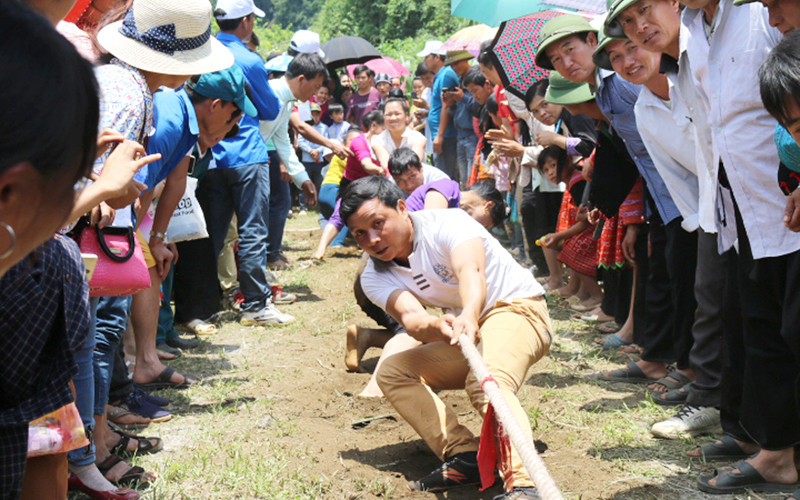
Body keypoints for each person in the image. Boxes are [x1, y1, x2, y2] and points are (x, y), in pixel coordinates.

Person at [340, 176, 550, 500]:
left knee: (486, 382)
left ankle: (525, 485)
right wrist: (436, 326)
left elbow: (471, 271)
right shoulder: (373, 274)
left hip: (518, 310)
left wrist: (468, 312)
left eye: (378, 223)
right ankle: (464, 455)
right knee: (393, 372)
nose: (372, 239)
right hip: (468, 329)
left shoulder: (448, 222)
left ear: (401, 208)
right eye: (360, 234)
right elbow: (411, 317)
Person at [537, 14, 699, 398]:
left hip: (685, 192)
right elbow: (624, 151)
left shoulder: (624, 84)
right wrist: (603, 204)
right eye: (557, 60)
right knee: (664, 273)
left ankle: (692, 370)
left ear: (591, 41)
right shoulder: (605, 92)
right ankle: (659, 358)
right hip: (662, 195)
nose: (567, 63)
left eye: (571, 50)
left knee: (684, 277)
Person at [418, 41, 460, 180]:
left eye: (427, 57)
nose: (424, 60)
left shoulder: (446, 74)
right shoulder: (440, 75)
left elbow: (446, 105)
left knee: (445, 176)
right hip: (441, 134)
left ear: (437, 57)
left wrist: (440, 136)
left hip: (446, 135)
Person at [339, 110, 386, 197]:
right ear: (373, 126)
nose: (386, 134)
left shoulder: (386, 141)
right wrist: (381, 170)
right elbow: (366, 164)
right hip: (353, 187)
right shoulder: (359, 142)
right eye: (384, 130)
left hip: (374, 185)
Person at [371, 98, 427, 170]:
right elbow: (385, 163)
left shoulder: (418, 138)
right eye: (388, 114)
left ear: (406, 116)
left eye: (397, 114)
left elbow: (414, 164)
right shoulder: (377, 140)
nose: (393, 118)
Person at [298, 102, 333, 198]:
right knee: (304, 181)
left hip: (319, 158)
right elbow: (301, 141)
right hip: (307, 158)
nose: (315, 116)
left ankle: (319, 204)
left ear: (320, 114)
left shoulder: (324, 127)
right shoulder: (305, 125)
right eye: (312, 113)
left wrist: (317, 151)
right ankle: (303, 206)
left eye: (317, 113)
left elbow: (326, 141)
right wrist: (311, 151)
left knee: (319, 182)